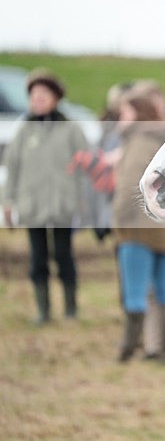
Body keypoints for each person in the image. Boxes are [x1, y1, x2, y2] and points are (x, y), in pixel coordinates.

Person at [2, 70, 88, 324]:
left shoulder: (71, 129)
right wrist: (8, 202)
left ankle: (71, 309)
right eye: (34, 96)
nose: (37, 100)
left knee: (63, 256)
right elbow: (12, 168)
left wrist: (83, 201)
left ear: (56, 97)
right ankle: (43, 311)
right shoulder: (23, 131)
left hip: (63, 205)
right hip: (32, 206)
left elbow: (85, 167)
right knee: (37, 259)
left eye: (43, 95)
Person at [112, 90, 165, 362]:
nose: (119, 118)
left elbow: (131, 185)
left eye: (125, 112)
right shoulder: (164, 138)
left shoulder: (139, 139)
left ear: (138, 114)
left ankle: (127, 349)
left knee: (134, 293)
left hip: (137, 228)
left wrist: (118, 220)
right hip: (164, 225)